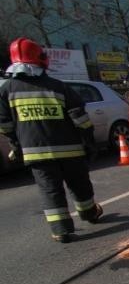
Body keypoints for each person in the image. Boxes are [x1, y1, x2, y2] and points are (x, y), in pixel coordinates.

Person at [0, 37, 102, 243]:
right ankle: (89, 213)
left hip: (36, 152)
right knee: (79, 184)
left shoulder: (6, 90)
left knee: (50, 190)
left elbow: (5, 125)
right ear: (41, 59)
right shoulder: (58, 87)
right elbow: (80, 118)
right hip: (70, 150)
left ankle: (61, 229)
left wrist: (16, 144)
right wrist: (89, 141)